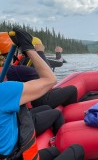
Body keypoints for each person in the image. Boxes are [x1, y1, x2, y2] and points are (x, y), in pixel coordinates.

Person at [0, 28, 84, 160]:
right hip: (15, 152)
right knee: (77, 149)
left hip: (12, 137)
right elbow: (49, 78)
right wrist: (33, 50)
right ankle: (67, 133)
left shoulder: (13, 70)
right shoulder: (6, 88)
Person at [0, 34, 78, 109]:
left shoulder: (15, 64)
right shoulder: (19, 68)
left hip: (25, 99)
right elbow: (54, 69)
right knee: (72, 89)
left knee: (58, 89)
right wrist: (41, 52)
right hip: (38, 99)